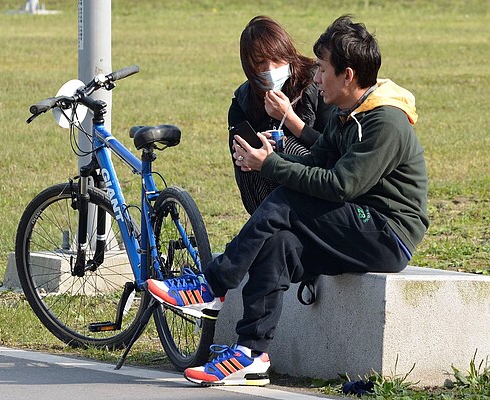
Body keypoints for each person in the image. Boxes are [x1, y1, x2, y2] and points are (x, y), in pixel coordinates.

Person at [146, 15, 429, 386]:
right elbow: (316, 160)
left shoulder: (384, 122)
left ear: (347, 75)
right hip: (355, 224)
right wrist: (271, 156)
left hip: (386, 233)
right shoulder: (347, 115)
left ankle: (211, 285)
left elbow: (340, 185)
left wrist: (273, 166)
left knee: (286, 200)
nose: (315, 77)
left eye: (322, 70)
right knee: (279, 243)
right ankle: (250, 354)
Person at [229, 16, 332, 215]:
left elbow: (335, 150)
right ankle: (269, 224)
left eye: (276, 59)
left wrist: (291, 119)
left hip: (318, 184)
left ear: (288, 53)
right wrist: (246, 152)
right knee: (253, 155)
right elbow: (236, 149)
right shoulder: (243, 100)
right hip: (264, 191)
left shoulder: (317, 84)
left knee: (285, 146)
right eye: (260, 63)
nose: (270, 69)